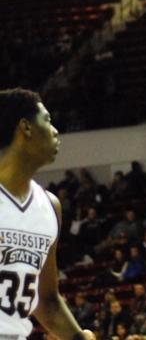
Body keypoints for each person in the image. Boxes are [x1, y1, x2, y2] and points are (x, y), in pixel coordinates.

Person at [0, 89, 95, 339]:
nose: (55, 131)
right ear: (26, 128)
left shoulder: (49, 207)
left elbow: (46, 300)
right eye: (47, 120)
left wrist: (77, 337)